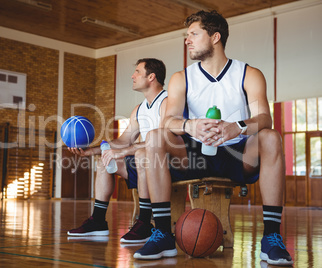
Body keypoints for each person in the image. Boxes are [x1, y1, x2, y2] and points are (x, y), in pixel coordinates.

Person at [133, 10, 293, 266]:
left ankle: (272, 237)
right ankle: (162, 233)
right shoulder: (181, 78)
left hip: (237, 152)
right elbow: (168, 121)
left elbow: (264, 118)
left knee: (271, 137)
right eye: (187, 36)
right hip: (194, 154)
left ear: (215, 37)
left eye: (193, 34)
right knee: (155, 137)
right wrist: (190, 125)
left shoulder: (248, 74)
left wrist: (237, 127)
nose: (187, 40)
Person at [67, 58, 168, 244]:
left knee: (141, 154)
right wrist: (93, 151)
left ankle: (145, 223)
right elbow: (124, 140)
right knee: (104, 161)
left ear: (151, 77)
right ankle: (98, 221)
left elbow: (164, 140)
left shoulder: (167, 103)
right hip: (142, 161)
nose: (133, 75)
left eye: (137, 71)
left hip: (165, 164)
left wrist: (124, 152)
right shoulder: (139, 109)